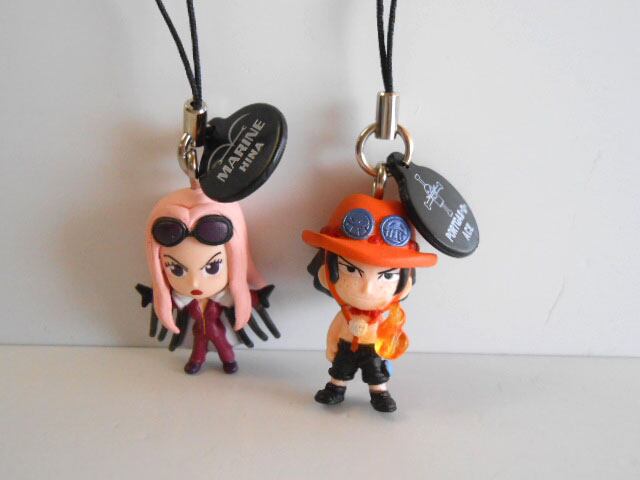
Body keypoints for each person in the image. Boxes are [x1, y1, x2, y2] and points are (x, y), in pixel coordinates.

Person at [303, 193, 437, 412]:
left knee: (376, 373)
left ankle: (379, 392)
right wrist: (331, 346)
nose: (367, 289)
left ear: (405, 283)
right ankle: (336, 388)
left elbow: (388, 334)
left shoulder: (383, 316)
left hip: (373, 348)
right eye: (351, 269)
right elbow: (335, 330)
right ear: (326, 272)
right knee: (340, 369)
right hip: (346, 344)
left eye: (387, 275)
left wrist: (387, 347)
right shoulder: (345, 314)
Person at [145, 187, 266, 374]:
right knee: (199, 339)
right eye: (176, 269)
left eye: (213, 267)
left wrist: (257, 298)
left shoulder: (222, 297)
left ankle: (227, 358)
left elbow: (240, 301)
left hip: (215, 328)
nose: (194, 283)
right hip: (199, 329)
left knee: (218, 338)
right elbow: (174, 304)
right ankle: (198, 359)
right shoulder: (184, 299)